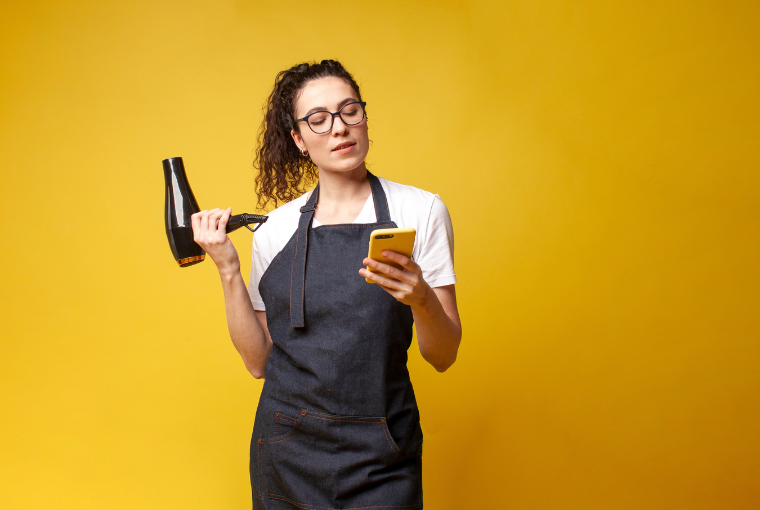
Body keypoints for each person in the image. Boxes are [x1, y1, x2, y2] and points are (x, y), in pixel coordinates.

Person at [191, 60, 462, 510]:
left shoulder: (421, 210)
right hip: (287, 449)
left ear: (364, 117)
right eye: (319, 119)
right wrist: (227, 270)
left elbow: (444, 354)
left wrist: (422, 300)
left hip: (382, 447)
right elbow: (258, 362)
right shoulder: (275, 229)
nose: (339, 128)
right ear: (298, 139)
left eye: (349, 110)